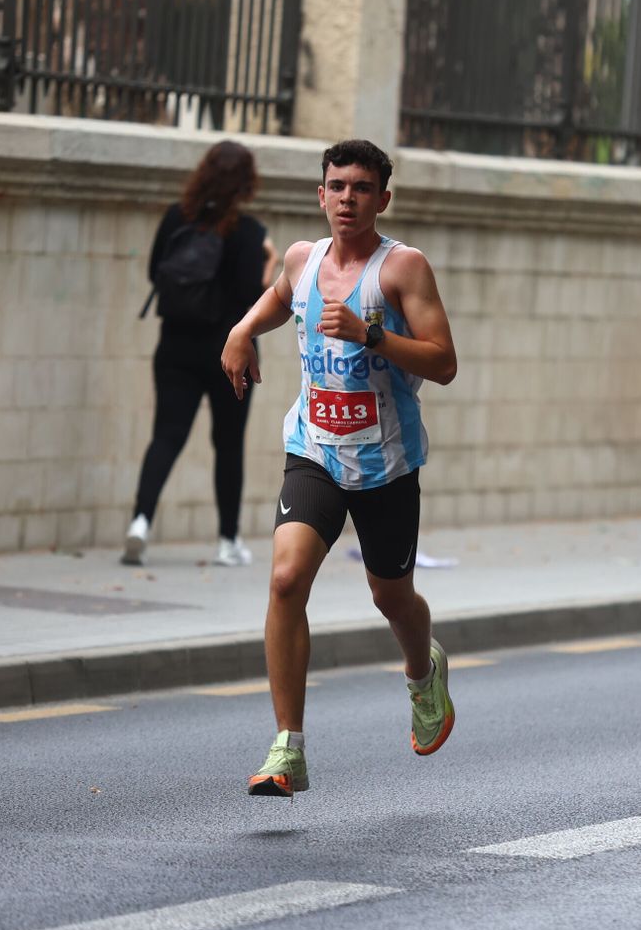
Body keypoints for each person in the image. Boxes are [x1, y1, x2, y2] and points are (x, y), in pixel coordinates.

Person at [220, 139, 459, 797]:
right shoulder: (302, 259)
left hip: (386, 463)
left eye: (360, 188)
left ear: (382, 198)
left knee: (391, 596)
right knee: (287, 577)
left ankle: (422, 671)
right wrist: (243, 331)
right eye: (336, 186)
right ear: (319, 195)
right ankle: (287, 747)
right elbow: (278, 299)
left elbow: (443, 362)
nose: (347, 198)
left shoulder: (402, 270)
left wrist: (372, 334)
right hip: (315, 450)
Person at [125, 140, 277, 568]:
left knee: (166, 435)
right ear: (247, 182)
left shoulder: (177, 218)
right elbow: (254, 298)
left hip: (175, 345)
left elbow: (156, 272)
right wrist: (271, 263)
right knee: (228, 445)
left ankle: (140, 521)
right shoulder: (250, 232)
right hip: (230, 353)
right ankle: (228, 541)